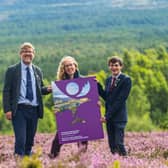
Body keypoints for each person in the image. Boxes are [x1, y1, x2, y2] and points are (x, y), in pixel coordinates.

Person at [2, 42, 52, 157]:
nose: (27, 53)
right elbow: (6, 91)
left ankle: (27, 162)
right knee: (20, 140)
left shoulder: (38, 71)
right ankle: (17, 163)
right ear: (20, 53)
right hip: (19, 110)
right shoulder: (12, 70)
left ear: (34, 54)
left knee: (29, 141)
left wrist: (48, 89)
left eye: (30, 51)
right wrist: (7, 109)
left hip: (34, 110)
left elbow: (40, 89)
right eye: (25, 51)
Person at [48, 56, 88, 159]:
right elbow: (60, 102)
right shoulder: (60, 83)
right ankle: (52, 161)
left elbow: (92, 97)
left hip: (82, 115)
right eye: (67, 66)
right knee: (57, 141)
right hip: (67, 116)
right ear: (63, 69)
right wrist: (57, 109)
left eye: (71, 65)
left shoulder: (84, 81)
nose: (70, 67)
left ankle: (82, 163)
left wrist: (96, 104)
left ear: (75, 66)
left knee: (83, 142)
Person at [98, 56, 132, 156]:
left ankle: (127, 163)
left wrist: (107, 116)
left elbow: (120, 101)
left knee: (119, 143)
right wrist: (97, 86)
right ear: (109, 67)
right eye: (111, 65)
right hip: (109, 118)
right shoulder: (108, 80)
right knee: (112, 145)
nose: (114, 67)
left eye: (116, 65)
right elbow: (107, 98)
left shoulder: (126, 80)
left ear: (121, 66)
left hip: (119, 118)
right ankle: (116, 163)